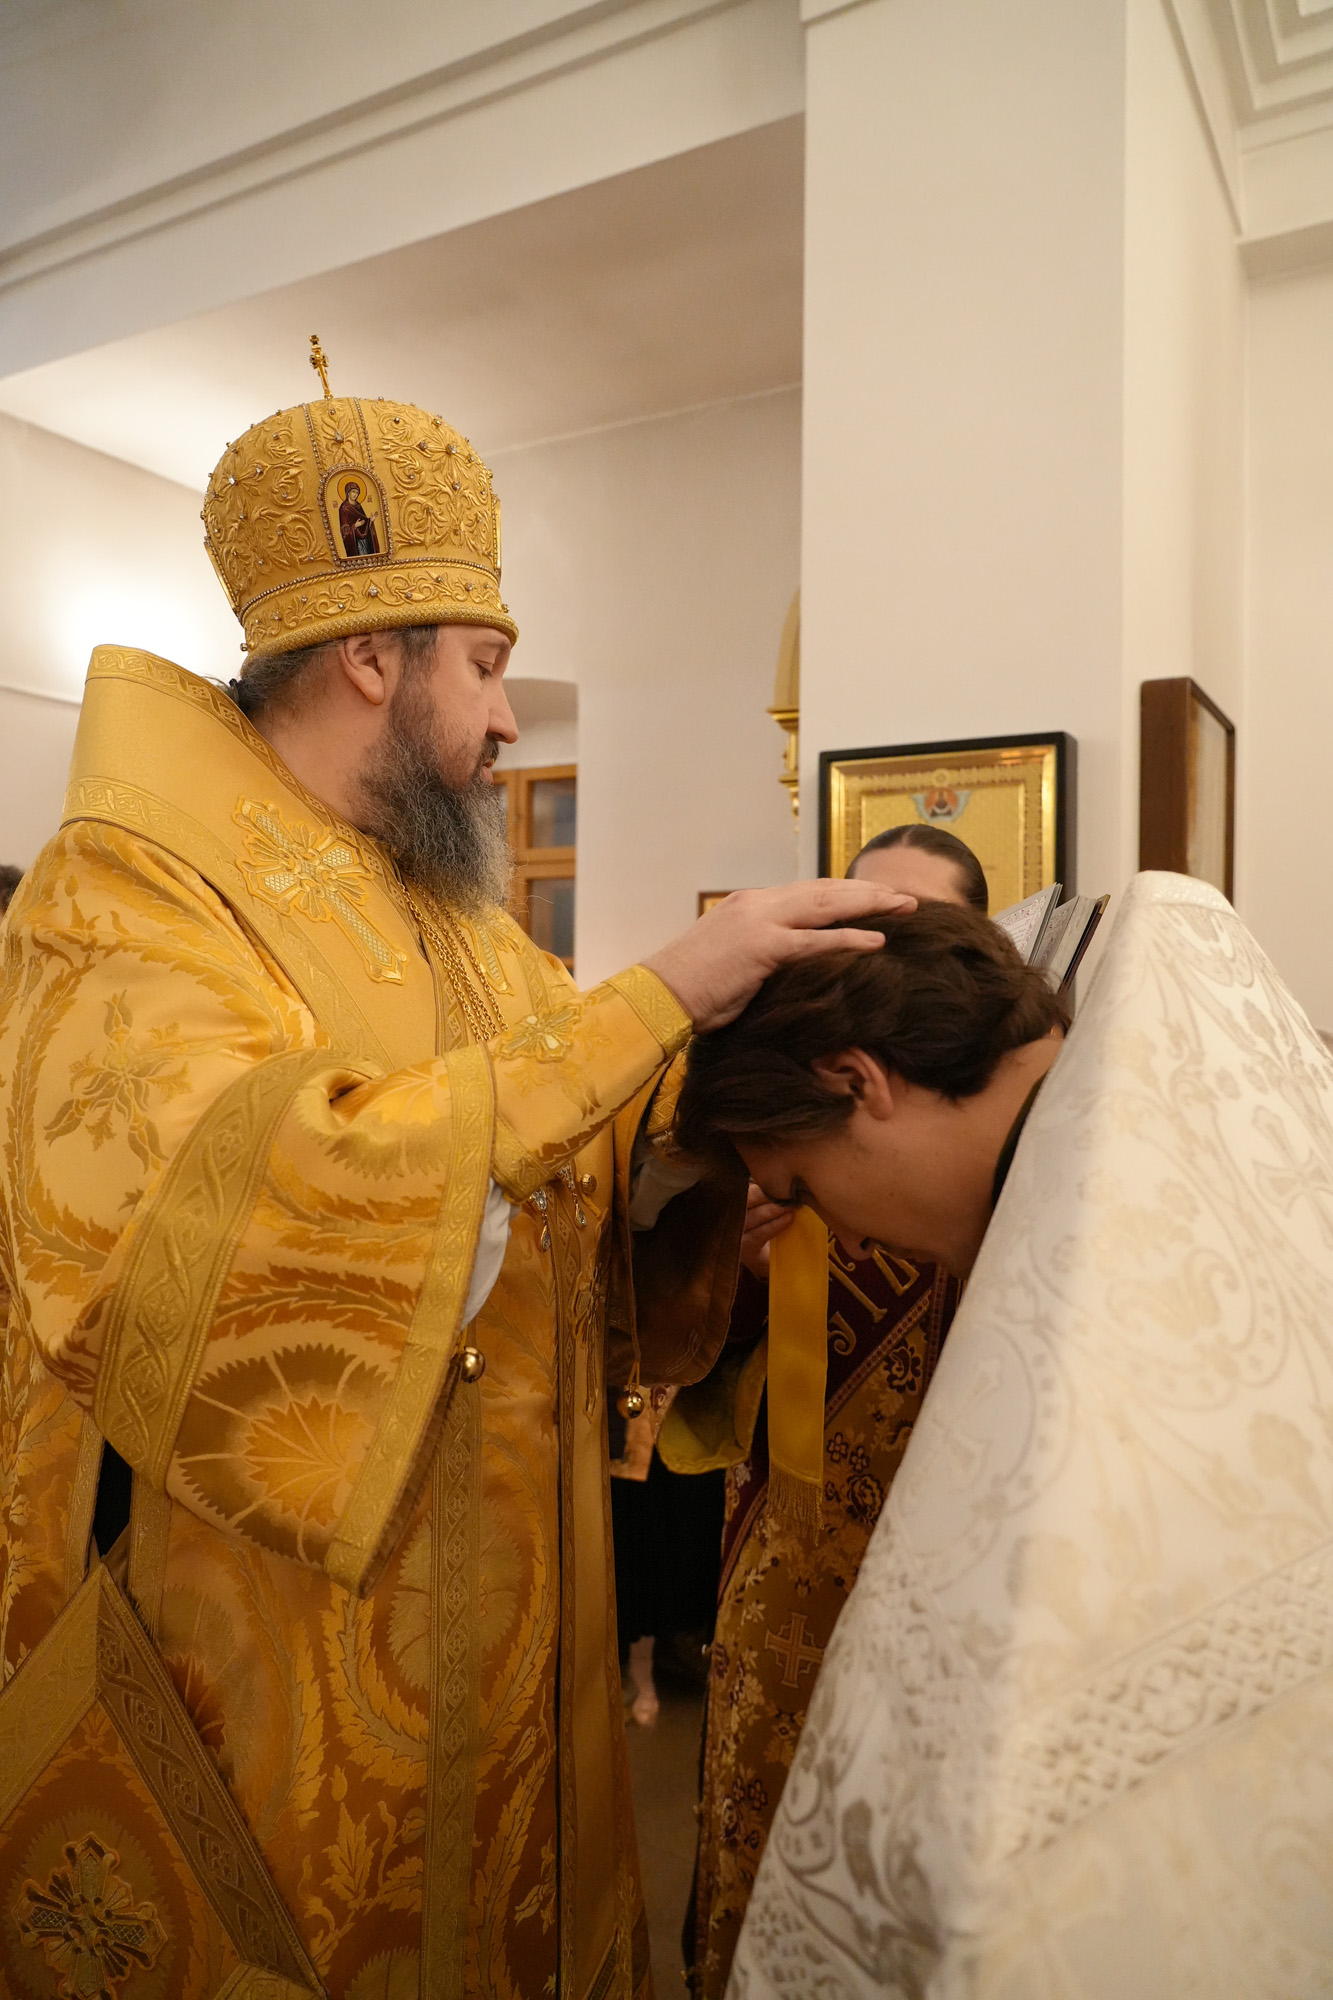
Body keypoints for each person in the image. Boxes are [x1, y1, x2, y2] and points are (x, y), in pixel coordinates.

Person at [0, 379, 914, 2000]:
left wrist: (698, 1147)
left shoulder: (459, 918)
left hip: (520, 1613)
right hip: (271, 1639)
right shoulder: (131, 881)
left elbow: (573, 1139)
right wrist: (660, 991)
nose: (504, 722)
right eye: (486, 668)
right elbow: (226, 1196)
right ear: (373, 658)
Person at [700, 875, 1333, 2000]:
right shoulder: (1142, 1142)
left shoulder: (1118, 1268)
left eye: (803, 1188)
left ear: (856, 1081)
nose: (842, 1239)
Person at [671, 837, 1001, 1997]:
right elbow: (704, 1365)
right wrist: (736, 1268)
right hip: (786, 1526)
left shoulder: (966, 1168)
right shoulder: (808, 1132)